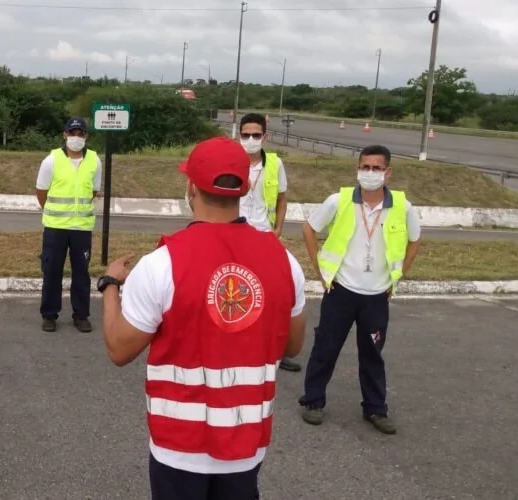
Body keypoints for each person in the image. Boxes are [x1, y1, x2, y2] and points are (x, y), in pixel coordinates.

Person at [98, 137, 307, 499]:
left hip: (179, 444)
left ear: (190, 187)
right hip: (247, 441)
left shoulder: (161, 264)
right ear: (247, 187)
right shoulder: (284, 262)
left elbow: (119, 348)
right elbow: (292, 344)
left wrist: (110, 286)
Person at [297, 144, 421, 435]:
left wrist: (398, 276)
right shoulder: (339, 200)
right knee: (325, 348)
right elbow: (308, 230)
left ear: (387, 172)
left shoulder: (402, 206)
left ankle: (375, 409)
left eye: (376, 168)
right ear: (357, 169)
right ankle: (313, 401)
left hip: (376, 296)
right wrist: (321, 270)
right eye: (364, 167)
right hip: (341, 291)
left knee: (372, 354)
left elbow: (414, 241)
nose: (369, 173)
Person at [237, 112, 300, 373]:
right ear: (238, 135)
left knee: (272, 293)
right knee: (237, 292)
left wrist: (278, 229)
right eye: (245, 135)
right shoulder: (231, 160)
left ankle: (278, 349)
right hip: (236, 233)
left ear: (265, 136)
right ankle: (239, 345)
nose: (250, 140)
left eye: (255, 135)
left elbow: (282, 198)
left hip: (264, 235)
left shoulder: (275, 164)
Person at [35, 116, 102, 333]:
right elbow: (41, 191)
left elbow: (93, 191)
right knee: (52, 272)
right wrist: (55, 211)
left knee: (81, 274)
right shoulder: (51, 160)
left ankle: (81, 315)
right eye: (72, 133)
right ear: (64, 135)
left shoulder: (94, 160)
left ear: (86, 136)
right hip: (56, 226)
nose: (76, 137)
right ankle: (49, 315)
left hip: (81, 228)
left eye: (80, 133)